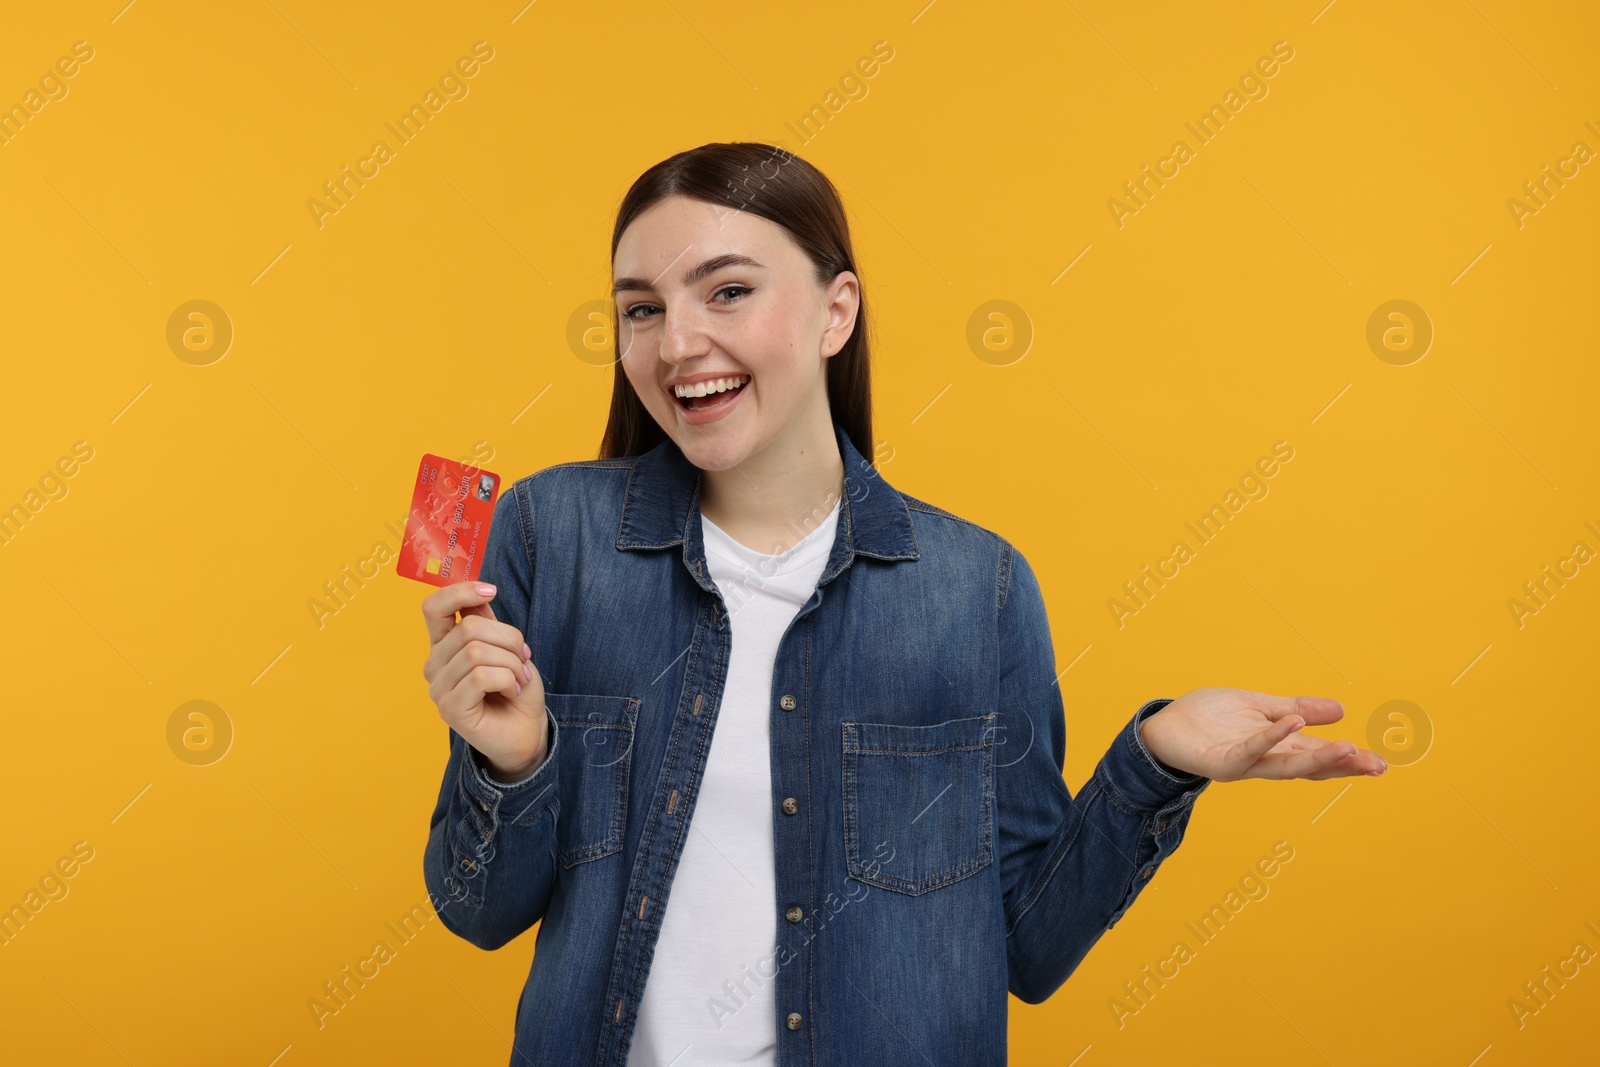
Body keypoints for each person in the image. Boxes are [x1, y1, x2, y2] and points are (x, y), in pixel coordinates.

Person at [418, 141, 1387, 1067]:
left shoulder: (977, 588)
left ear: (837, 311)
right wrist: (513, 761)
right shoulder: (553, 535)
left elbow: (1029, 947)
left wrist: (1155, 762)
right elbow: (477, 907)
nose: (676, 343)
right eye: (639, 309)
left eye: (728, 291)